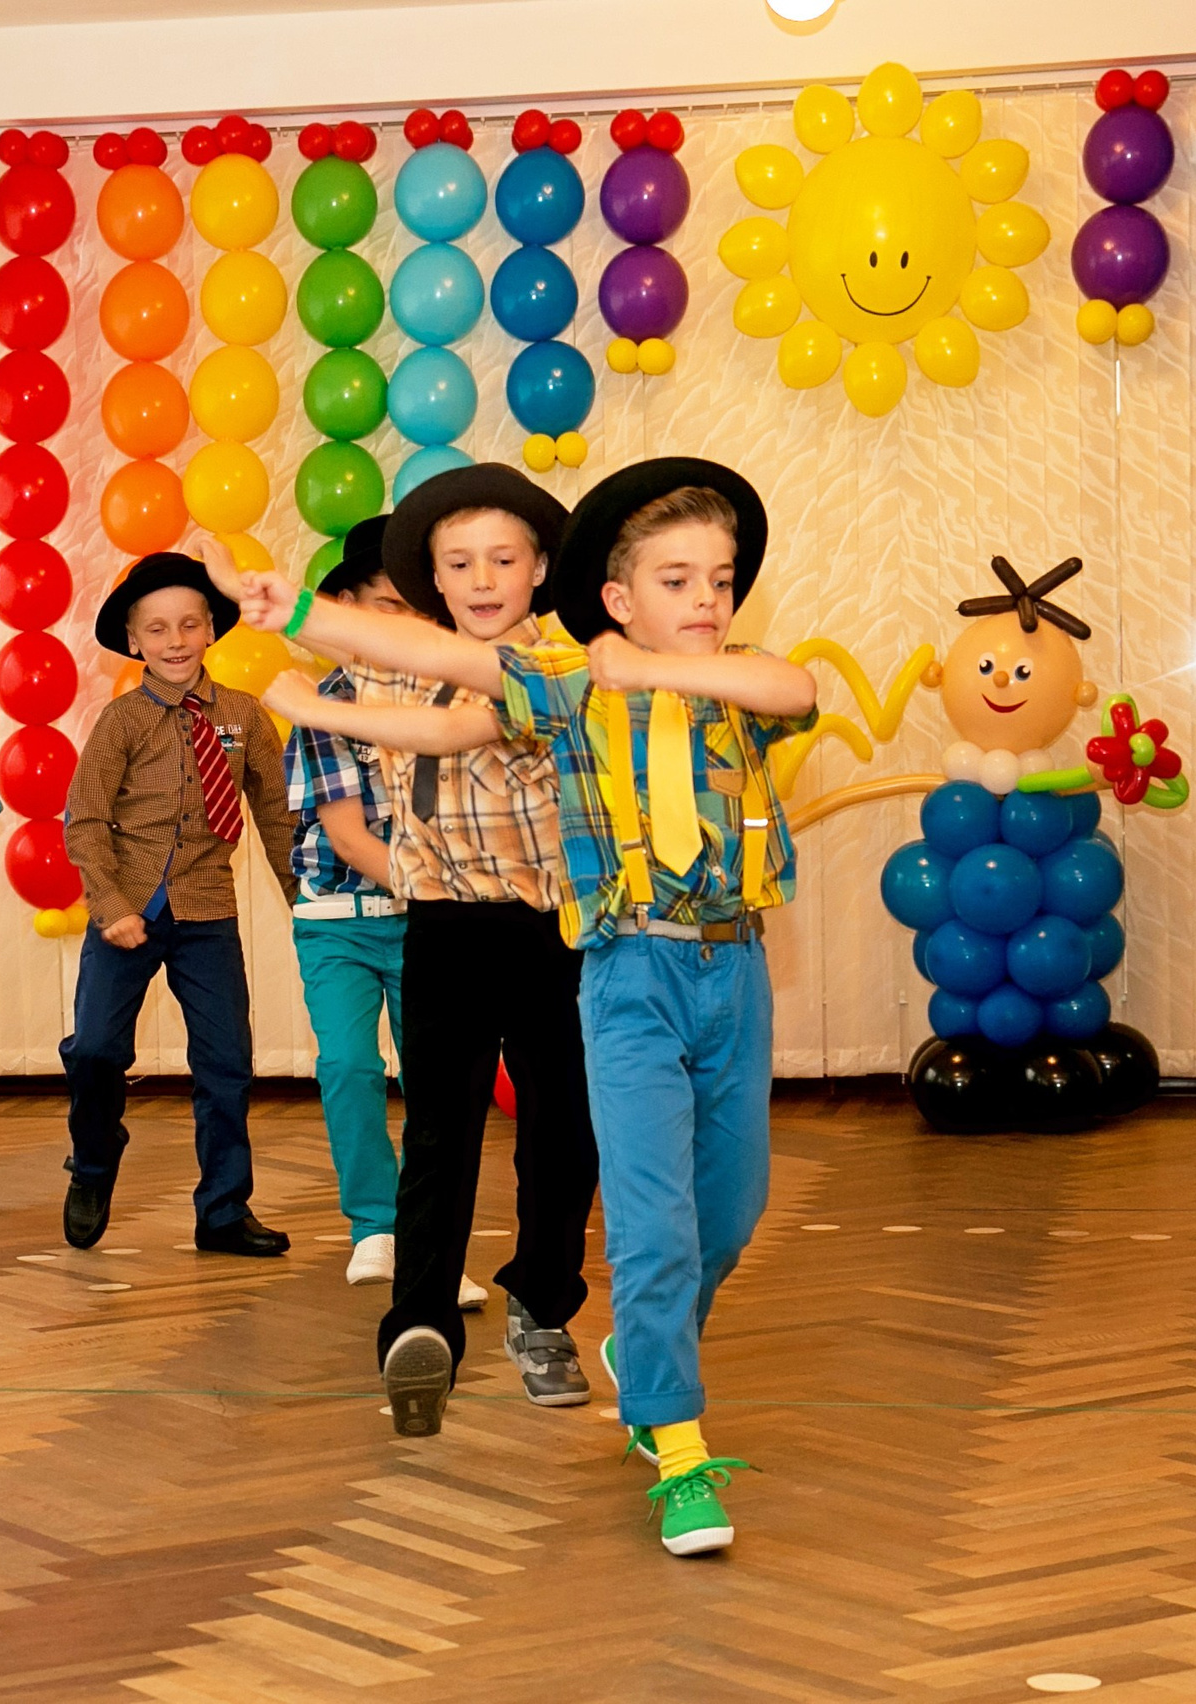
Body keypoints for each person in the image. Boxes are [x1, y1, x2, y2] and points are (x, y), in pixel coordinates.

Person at [256, 458, 819, 1560]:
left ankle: (647, 1357)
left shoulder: (738, 685)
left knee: (733, 1209)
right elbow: (438, 661)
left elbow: (793, 688)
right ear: (614, 597)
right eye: (675, 579)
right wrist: (306, 621)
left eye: (720, 578)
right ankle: (678, 1444)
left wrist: (667, 669)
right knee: (650, 1224)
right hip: (624, 975)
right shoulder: (568, 689)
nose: (706, 598)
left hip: (734, 971)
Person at [214, 464, 598, 1435]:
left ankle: (542, 1306)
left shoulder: (562, 664)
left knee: (563, 1138)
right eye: (456, 561)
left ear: (539, 566)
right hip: (444, 928)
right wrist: (278, 610)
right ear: (429, 578)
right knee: (440, 1136)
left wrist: (320, 702)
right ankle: (417, 1323)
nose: (481, 578)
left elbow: (445, 723)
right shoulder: (395, 655)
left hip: (555, 933)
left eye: (503, 558)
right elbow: (356, 641)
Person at [60, 550, 297, 1258]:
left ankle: (223, 1210)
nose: (175, 641)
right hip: (127, 913)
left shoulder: (245, 718)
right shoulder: (121, 722)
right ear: (134, 641)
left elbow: (277, 816)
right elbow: (85, 820)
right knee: (98, 1048)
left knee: (227, 1064)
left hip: (206, 915)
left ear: (210, 631)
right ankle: (94, 1160)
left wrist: (301, 902)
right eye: (157, 629)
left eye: (188, 625)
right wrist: (111, 906)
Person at [283, 518, 481, 1308]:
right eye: (380, 608)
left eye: (411, 610)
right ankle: (374, 1227)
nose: (396, 626)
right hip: (338, 918)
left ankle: (433, 1244)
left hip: (427, 920)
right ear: (345, 613)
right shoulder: (323, 707)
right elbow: (346, 833)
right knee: (350, 1065)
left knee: (440, 1081)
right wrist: (428, 879)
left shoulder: (454, 703)